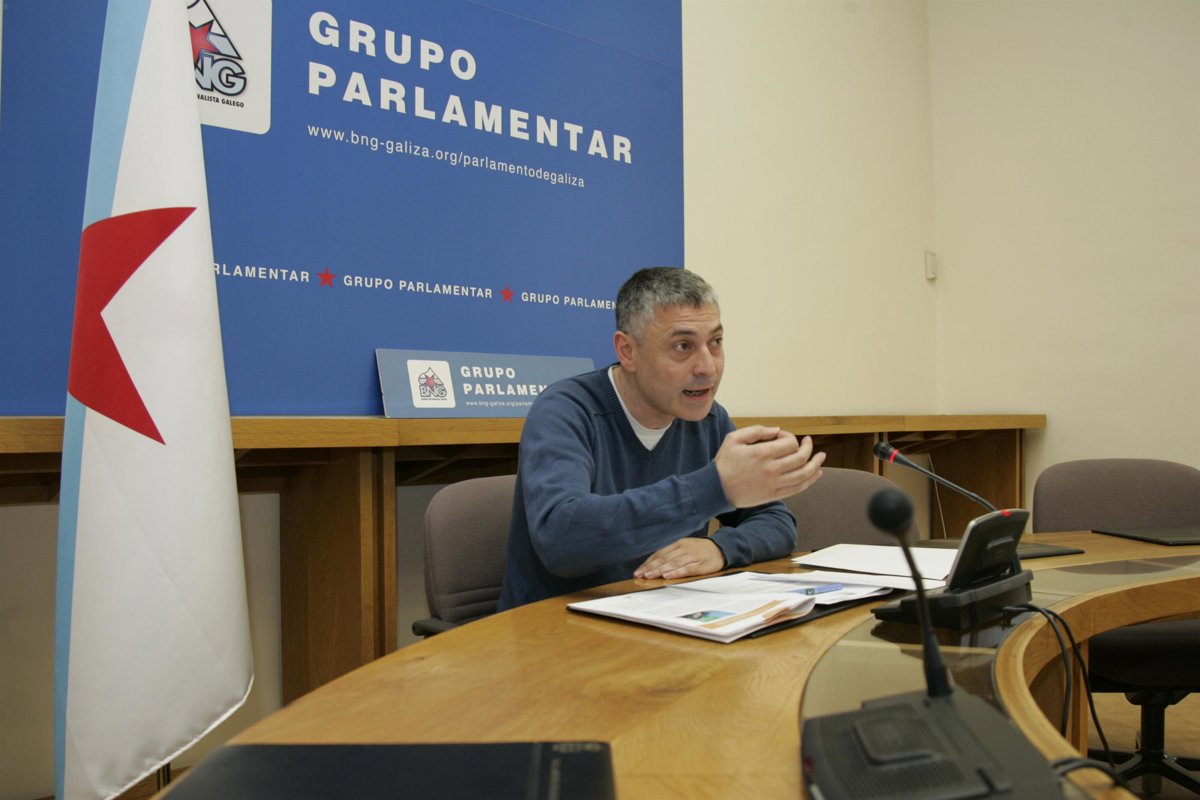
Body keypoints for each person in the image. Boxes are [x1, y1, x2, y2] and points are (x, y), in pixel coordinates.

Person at [497, 267, 826, 609]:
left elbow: (776, 521)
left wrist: (720, 548)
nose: (708, 367)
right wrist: (713, 488)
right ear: (628, 351)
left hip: (661, 616)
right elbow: (561, 540)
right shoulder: (565, 410)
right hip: (555, 627)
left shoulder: (709, 420)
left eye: (715, 343)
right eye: (683, 346)